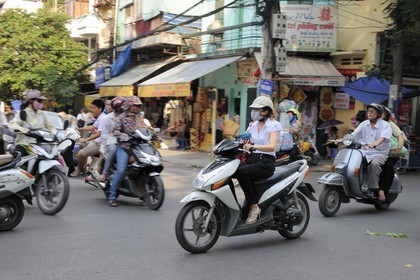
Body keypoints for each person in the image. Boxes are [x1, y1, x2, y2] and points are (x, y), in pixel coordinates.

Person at [234, 96, 282, 224]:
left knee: (242, 172)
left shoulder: (274, 125)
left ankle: (254, 206)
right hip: (252, 159)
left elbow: (272, 146)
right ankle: (235, 206)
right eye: (253, 109)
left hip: (266, 162)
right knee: (231, 170)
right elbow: (243, 140)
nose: (253, 111)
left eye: (256, 109)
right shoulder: (252, 125)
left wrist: (253, 146)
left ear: (265, 111)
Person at [351, 103, 391, 201]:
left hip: (380, 153)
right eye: (368, 111)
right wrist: (341, 139)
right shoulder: (364, 124)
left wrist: (375, 143)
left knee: (374, 164)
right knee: (353, 162)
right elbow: (353, 135)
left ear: (378, 114)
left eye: (372, 111)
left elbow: (383, 138)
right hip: (366, 152)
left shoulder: (385, 125)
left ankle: (372, 188)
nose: (369, 113)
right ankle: (355, 184)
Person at [108, 96, 143, 207]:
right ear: (129, 106)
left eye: (139, 106)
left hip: (138, 147)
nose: (138, 108)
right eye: (135, 106)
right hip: (125, 147)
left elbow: (144, 128)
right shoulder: (122, 117)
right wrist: (124, 136)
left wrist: (152, 132)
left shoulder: (139, 118)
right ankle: (112, 196)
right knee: (121, 170)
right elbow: (115, 131)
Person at [9, 90, 56, 157]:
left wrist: (54, 134)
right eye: (39, 101)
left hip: (41, 145)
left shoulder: (42, 114)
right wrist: (24, 130)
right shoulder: (22, 113)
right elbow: (12, 125)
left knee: (58, 156)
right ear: (31, 101)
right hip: (25, 144)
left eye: (42, 101)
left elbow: (50, 126)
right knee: (17, 156)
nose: (41, 103)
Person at [70, 99, 106, 177]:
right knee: (81, 145)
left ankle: (79, 169)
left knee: (80, 154)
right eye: (91, 108)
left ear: (99, 109)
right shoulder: (100, 117)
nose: (92, 110)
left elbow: (99, 134)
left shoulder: (103, 118)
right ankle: (83, 168)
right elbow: (92, 127)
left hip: (100, 144)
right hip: (96, 142)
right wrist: (79, 129)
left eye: (93, 108)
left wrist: (85, 139)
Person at [378, 105, 406, 198]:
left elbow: (399, 135)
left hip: (391, 153)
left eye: (381, 113)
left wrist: (399, 146)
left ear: (385, 115)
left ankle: (382, 189)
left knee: (387, 165)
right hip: (376, 151)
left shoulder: (390, 124)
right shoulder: (370, 124)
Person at [98, 97, 125, 182]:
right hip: (111, 140)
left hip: (125, 139)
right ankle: (105, 173)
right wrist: (114, 138)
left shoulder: (125, 117)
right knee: (113, 149)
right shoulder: (107, 118)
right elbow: (103, 134)